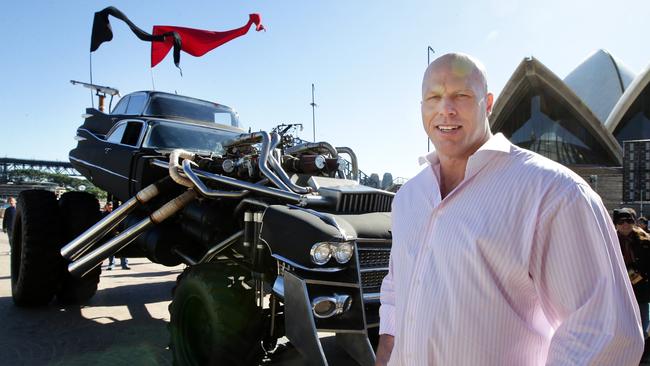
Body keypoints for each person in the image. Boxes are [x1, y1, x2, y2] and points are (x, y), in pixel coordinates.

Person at [376, 53, 643, 365]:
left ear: (488, 103)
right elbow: (398, 284)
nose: (444, 109)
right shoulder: (408, 196)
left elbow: (602, 333)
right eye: (433, 97)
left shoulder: (554, 192)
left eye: (460, 95)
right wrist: (386, 351)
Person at [615, 208, 650, 361]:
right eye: (621, 222)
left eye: (629, 221)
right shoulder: (609, 240)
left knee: (643, 326)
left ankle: (642, 356)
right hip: (619, 291)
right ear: (616, 224)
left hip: (641, 290)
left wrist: (639, 275)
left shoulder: (645, 240)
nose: (625, 225)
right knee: (621, 327)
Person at [102, 202, 130, 270]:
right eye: (109, 206)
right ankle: (111, 265)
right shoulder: (104, 215)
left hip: (119, 234)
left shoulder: (119, 213)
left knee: (123, 249)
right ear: (106, 206)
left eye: (111, 206)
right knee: (110, 251)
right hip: (109, 235)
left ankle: (124, 265)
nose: (110, 207)